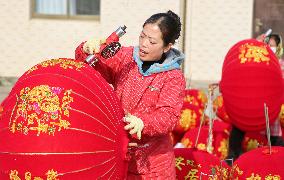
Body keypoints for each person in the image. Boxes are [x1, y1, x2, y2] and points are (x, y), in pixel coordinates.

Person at [75, 10, 185, 179]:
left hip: (154, 165)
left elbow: (168, 117)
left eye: (152, 41)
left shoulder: (173, 76)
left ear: (167, 47)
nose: (144, 44)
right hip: (118, 155)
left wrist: (143, 122)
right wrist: (86, 49)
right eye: (142, 36)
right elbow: (90, 67)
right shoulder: (126, 57)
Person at [227, 33, 284, 165]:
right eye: (268, 45)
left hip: (269, 104)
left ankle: (278, 161)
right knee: (238, 128)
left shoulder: (279, 63)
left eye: (273, 46)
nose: (270, 48)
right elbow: (239, 72)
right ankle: (231, 159)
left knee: (273, 136)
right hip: (250, 102)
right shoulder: (254, 59)